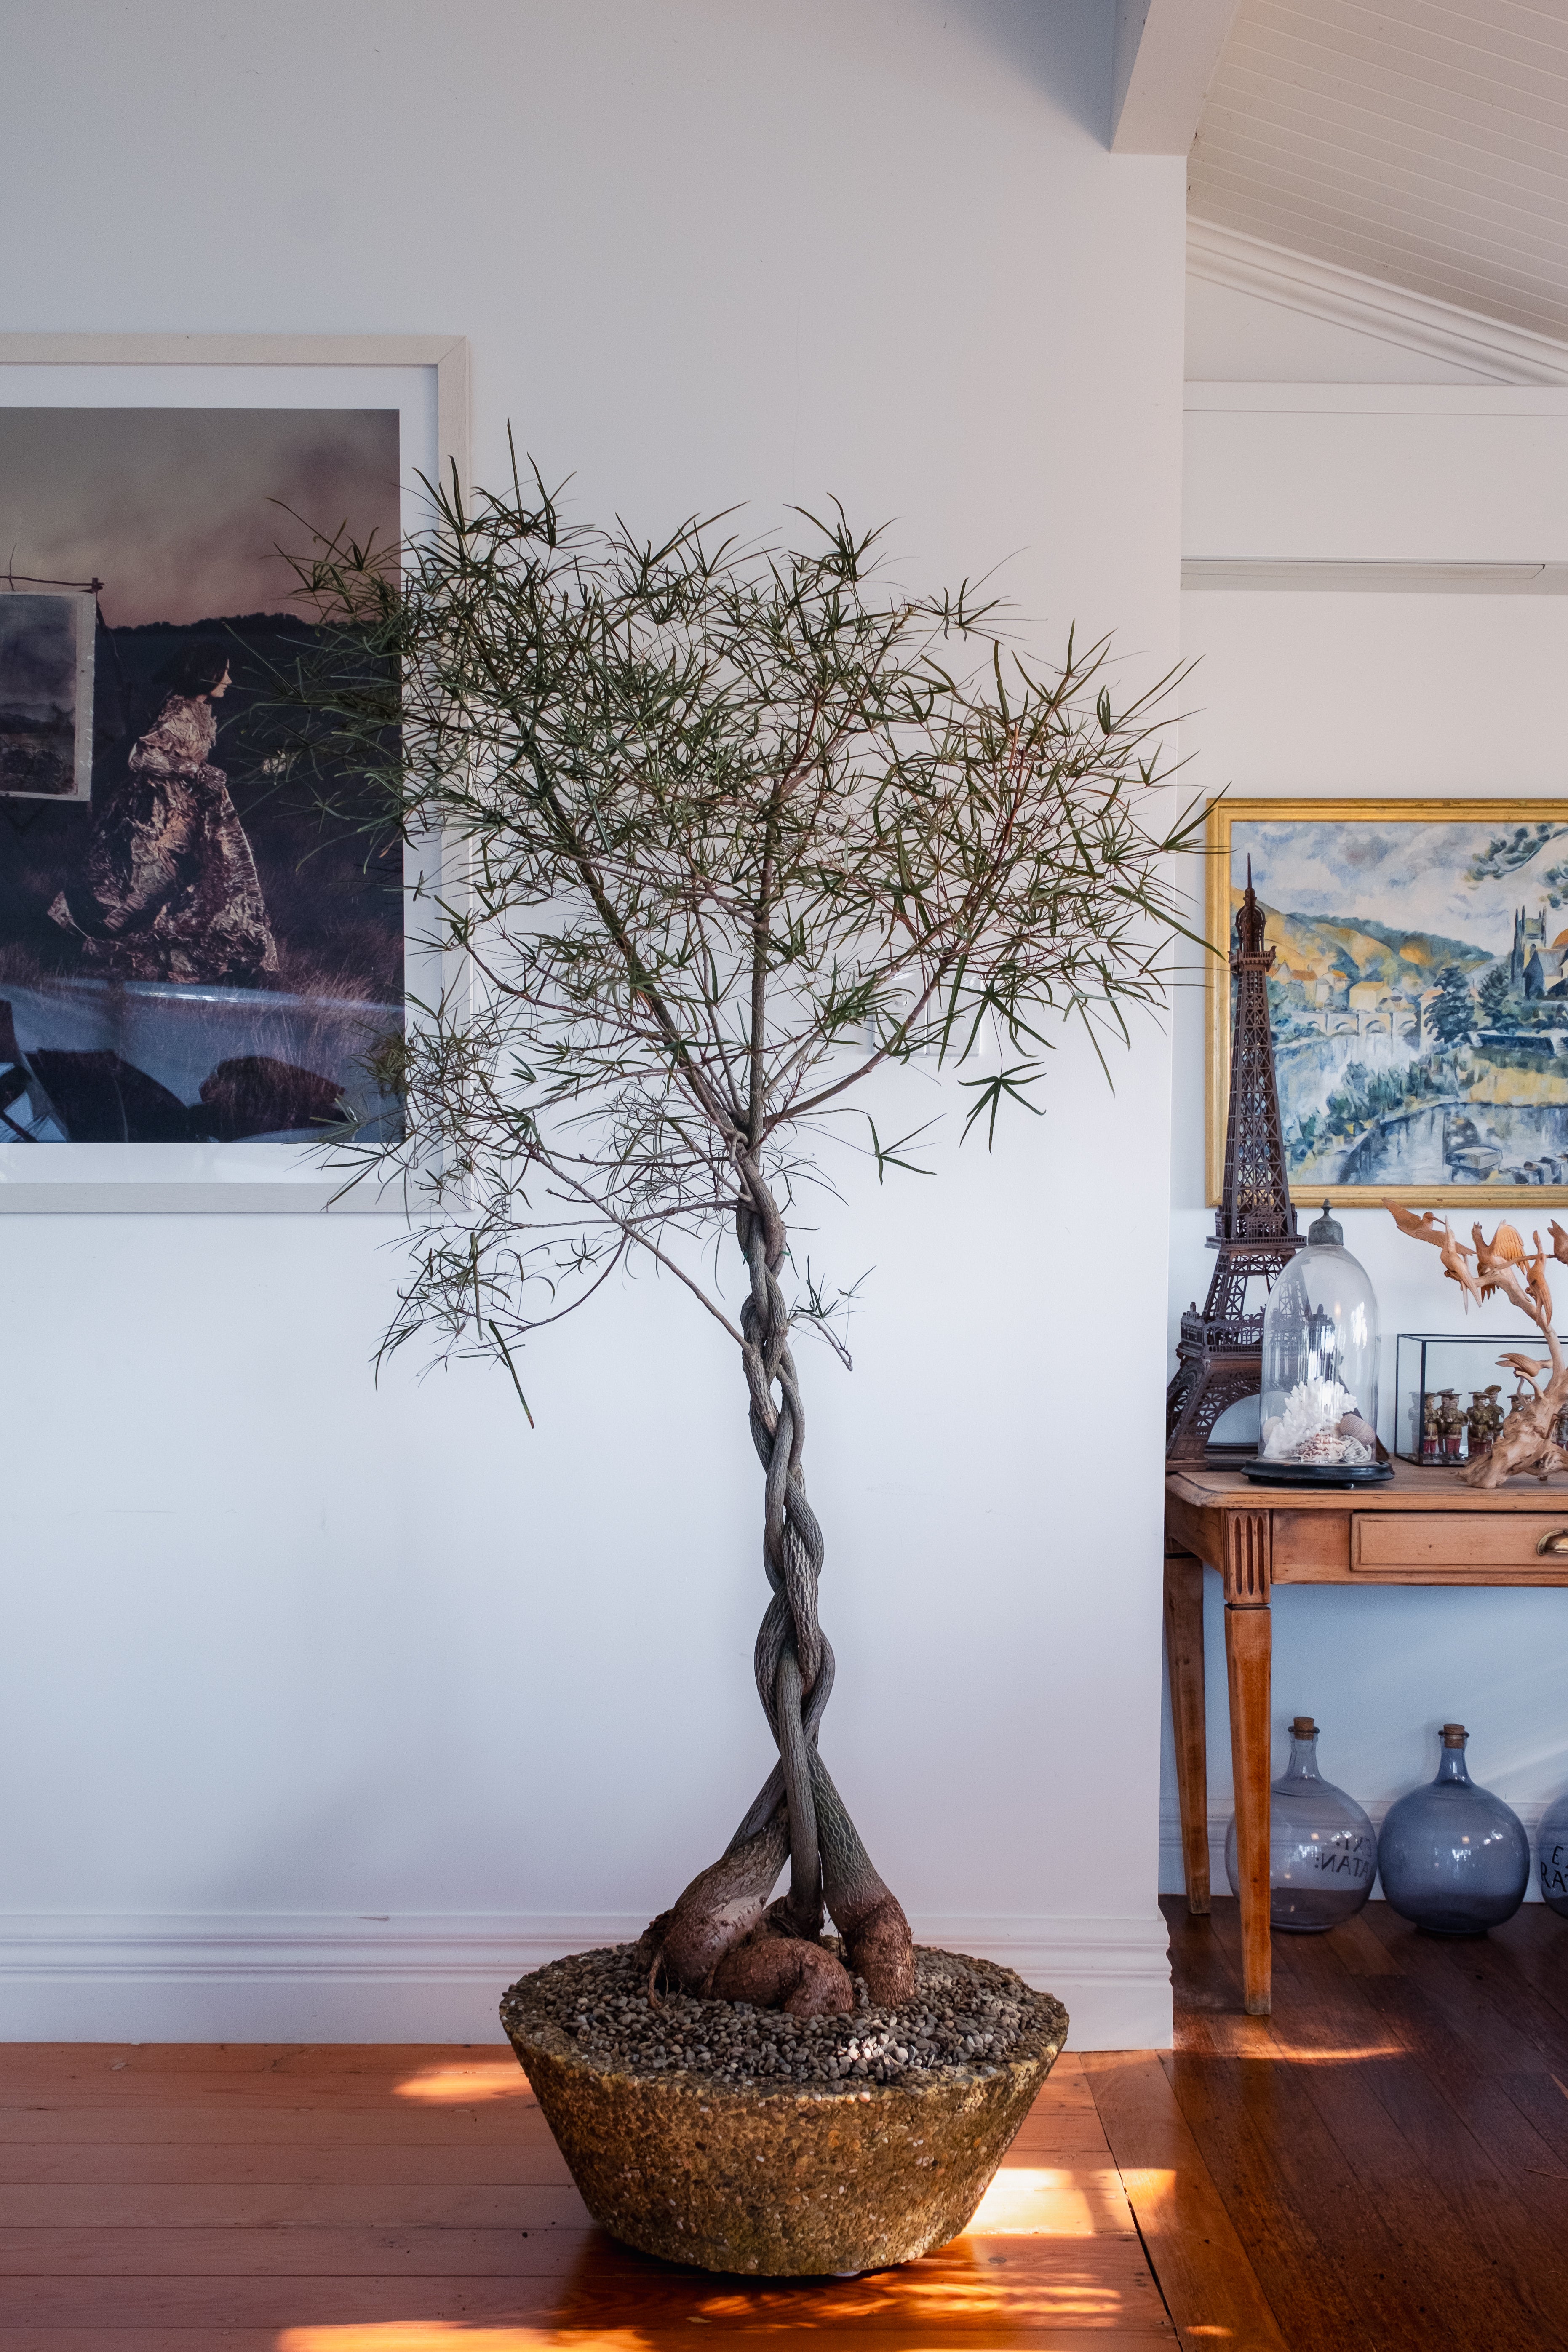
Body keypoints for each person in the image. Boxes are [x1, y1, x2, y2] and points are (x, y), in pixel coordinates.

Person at [49, 641, 279, 983]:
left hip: (176, 813)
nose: (230, 680)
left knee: (163, 887)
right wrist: (197, 773)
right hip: (154, 816)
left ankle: (109, 952)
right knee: (149, 884)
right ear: (206, 675)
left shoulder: (196, 708)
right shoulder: (180, 711)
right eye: (224, 672)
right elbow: (141, 757)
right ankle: (97, 951)